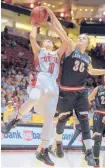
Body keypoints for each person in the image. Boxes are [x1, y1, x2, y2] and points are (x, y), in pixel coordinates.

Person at [1, 7, 69, 166]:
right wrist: (35, 24)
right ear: (42, 44)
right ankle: (15, 119)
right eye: (46, 40)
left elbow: (65, 42)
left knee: (49, 119)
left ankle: (43, 150)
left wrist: (54, 27)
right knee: (33, 97)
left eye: (51, 41)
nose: (49, 42)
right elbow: (32, 37)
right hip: (41, 81)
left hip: (53, 87)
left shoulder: (57, 54)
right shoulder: (39, 51)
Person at [55, 34, 105, 166]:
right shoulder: (71, 47)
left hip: (81, 92)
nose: (80, 39)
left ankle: (89, 153)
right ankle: (58, 142)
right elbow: (62, 34)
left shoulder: (88, 57)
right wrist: (53, 19)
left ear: (87, 43)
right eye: (79, 37)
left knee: (84, 122)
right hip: (66, 91)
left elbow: (92, 71)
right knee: (62, 120)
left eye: (83, 38)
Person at [88, 75, 105, 167]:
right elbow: (90, 98)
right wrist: (91, 102)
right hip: (98, 114)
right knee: (97, 140)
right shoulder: (98, 88)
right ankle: (96, 162)